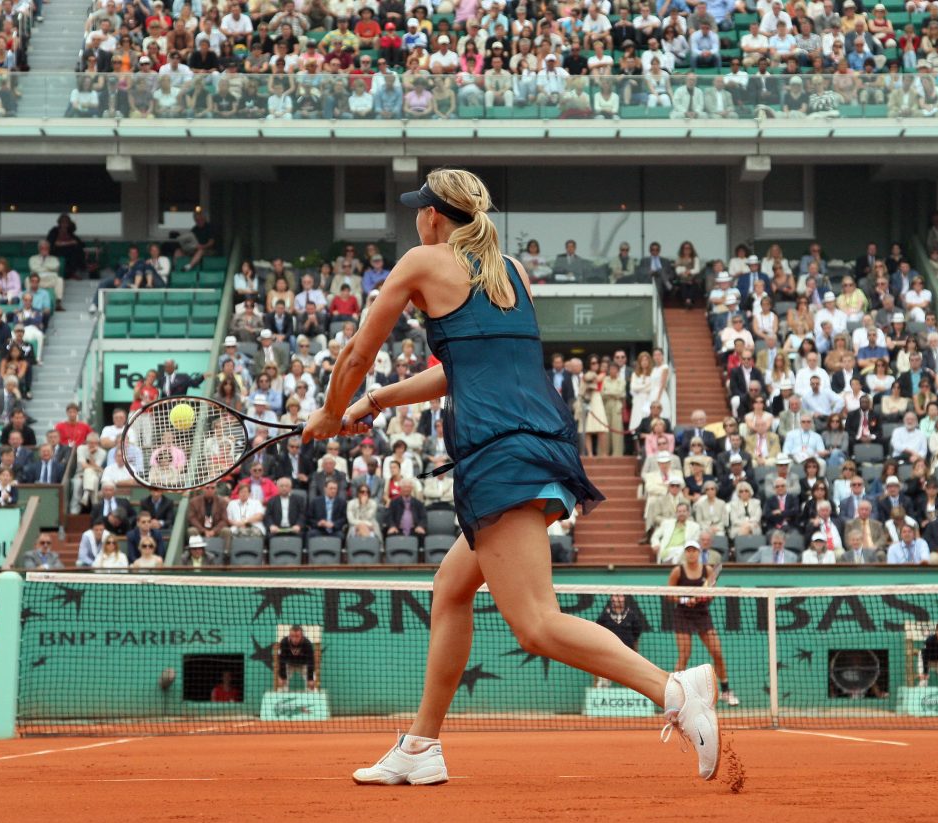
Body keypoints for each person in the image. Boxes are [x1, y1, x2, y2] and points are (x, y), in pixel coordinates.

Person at [309, 169, 720, 785]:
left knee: (534, 623)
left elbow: (357, 353)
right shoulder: (511, 274)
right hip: (536, 444)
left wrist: (331, 411)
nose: (416, 219)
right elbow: (466, 369)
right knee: (450, 591)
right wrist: (374, 404)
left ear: (433, 217)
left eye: (420, 210)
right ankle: (421, 747)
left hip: (499, 454)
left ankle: (673, 690)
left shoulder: (421, 262)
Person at [666, 541, 739, 706]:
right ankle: (675, 696)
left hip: (701, 614)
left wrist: (702, 597)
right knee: (684, 655)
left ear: (699, 553)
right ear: (685, 553)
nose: (691, 553)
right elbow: (668, 594)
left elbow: (711, 594)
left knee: (717, 652)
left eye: (694, 550)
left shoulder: (707, 570)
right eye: (688, 551)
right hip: (682, 615)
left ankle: (726, 690)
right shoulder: (678, 571)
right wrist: (685, 600)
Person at [593, 594, 644, 688]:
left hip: (628, 653)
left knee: (632, 678)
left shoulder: (631, 615)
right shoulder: (604, 616)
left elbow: (636, 635)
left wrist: (635, 651)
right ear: (612, 598)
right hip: (608, 653)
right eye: (616, 596)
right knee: (602, 679)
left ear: (624, 598)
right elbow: (598, 632)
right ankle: (600, 696)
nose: (618, 599)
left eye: (620, 596)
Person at [277, 624, 317, 691]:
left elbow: (311, 661)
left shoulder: (307, 644)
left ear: (302, 636)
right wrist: (282, 676)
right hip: (289, 664)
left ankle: (312, 698)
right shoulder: (284, 642)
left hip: (303, 665)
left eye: (297, 636)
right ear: (289, 636)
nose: (295, 639)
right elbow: (282, 660)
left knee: (312, 683)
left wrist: (310, 679)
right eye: (292, 636)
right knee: (281, 685)